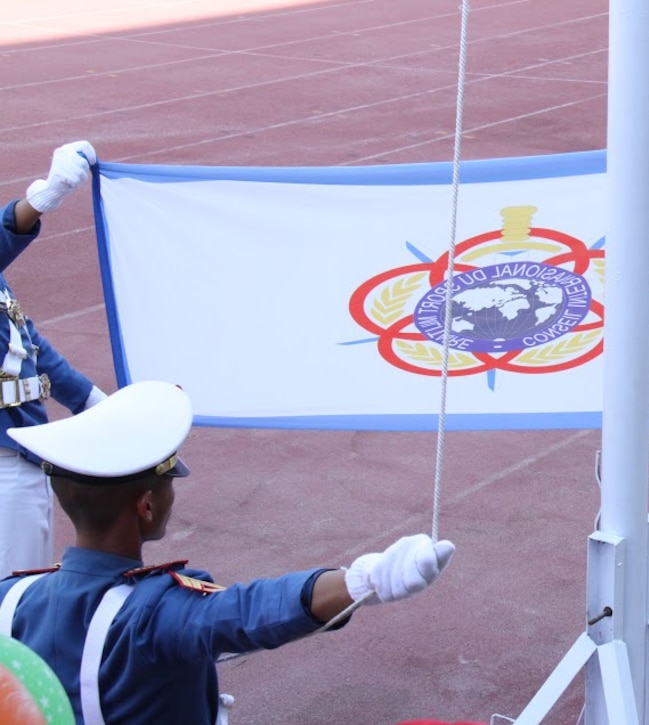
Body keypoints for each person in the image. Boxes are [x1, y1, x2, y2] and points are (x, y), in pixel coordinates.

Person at [0, 380, 455, 724]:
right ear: (147, 505)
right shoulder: (152, 614)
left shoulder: (12, 595)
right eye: (167, 483)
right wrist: (365, 581)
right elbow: (246, 613)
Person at [0, 140, 108, 577]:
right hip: (5, 464)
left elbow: (24, 341)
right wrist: (43, 198)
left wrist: (89, 399)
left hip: (19, 451)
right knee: (11, 609)